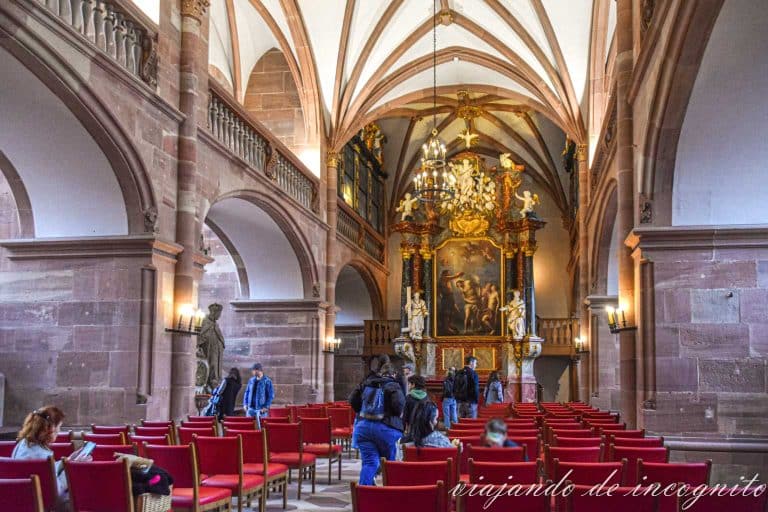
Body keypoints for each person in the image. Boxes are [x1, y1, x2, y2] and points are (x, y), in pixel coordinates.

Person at [12, 406, 92, 507]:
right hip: (43, 504)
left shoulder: (22, 444)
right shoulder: (44, 455)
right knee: (85, 496)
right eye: (59, 427)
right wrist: (73, 467)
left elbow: (44, 470)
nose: (59, 432)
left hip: (22, 501)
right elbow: (57, 493)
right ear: (50, 429)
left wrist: (67, 461)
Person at [349, 354, 405, 486]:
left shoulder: (366, 383)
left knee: (370, 462)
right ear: (393, 374)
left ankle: (363, 495)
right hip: (385, 429)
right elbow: (399, 407)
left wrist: (362, 412)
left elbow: (352, 400)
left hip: (363, 428)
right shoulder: (393, 386)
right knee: (390, 464)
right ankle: (389, 494)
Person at [243, 363, 274, 429]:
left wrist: (266, 407)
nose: (252, 372)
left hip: (261, 409)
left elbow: (270, 395)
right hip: (250, 408)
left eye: (253, 370)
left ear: (258, 370)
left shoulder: (267, 381)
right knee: (248, 427)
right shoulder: (251, 380)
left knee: (261, 429)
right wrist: (245, 404)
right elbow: (247, 392)